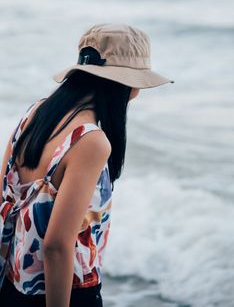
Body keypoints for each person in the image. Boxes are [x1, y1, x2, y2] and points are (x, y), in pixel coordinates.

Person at [0, 23, 174, 307]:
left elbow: (4, 198)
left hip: (13, 281)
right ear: (123, 84)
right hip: (64, 291)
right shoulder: (91, 141)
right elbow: (56, 245)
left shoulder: (34, 113)